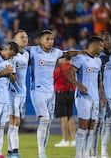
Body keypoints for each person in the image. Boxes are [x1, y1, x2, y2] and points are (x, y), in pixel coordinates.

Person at [27, 30, 81, 158]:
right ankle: (40, 152)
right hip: (37, 90)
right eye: (47, 39)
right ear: (41, 40)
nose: (50, 41)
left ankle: (43, 152)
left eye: (52, 39)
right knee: (44, 120)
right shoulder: (33, 50)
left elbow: (67, 53)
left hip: (51, 91)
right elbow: (18, 49)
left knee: (48, 122)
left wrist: (82, 52)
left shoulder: (56, 52)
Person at [67, 36, 106, 158]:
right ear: (94, 45)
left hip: (95, 98)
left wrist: (102, 96)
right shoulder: (80, 58)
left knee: (91, 126)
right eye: (101, 45)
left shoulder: (99, 60)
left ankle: (87, 154)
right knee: (83, 125)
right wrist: (79, 85)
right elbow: (69, 74)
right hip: (83, 96)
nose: (102, 48)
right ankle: (78, 154)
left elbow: (99, 80)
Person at [91, 32, 111, 158]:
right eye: (103, 40)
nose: (105, 42)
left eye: (107, 39)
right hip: (98, 96)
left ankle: (104, 152)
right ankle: (94, 152)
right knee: (97, 124)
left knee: (108, 124)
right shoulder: (97, 57)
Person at [7, 30, 29, 158]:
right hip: (12, 93)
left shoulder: (26, 54)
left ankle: (10, 152)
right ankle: (14, 151)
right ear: (14, 40)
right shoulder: (12, 55)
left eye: (26, 37)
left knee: (16, 123)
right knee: (14, 122)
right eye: (21, 37)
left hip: (22, 93)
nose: (24, 39)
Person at [53, 56, 76, 148]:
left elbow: (53, 78)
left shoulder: (58, 70)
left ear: (64, 59)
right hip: (71, 92)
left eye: (60, 58)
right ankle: (74, 140)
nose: (58, 60)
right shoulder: (73, 68)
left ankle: (65, 140)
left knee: (63, 118)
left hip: (61, 94)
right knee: (70, 117)